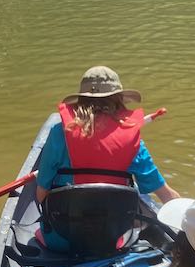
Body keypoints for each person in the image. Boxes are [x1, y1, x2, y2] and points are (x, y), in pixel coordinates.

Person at [34, 66, 180, 253]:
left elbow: (40, 195)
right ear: (119, 100)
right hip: (110, 240)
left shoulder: (58, 133)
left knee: (39, 231)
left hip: (61, 240)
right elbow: (167, 196)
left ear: (80, 101)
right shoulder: (132, 139)